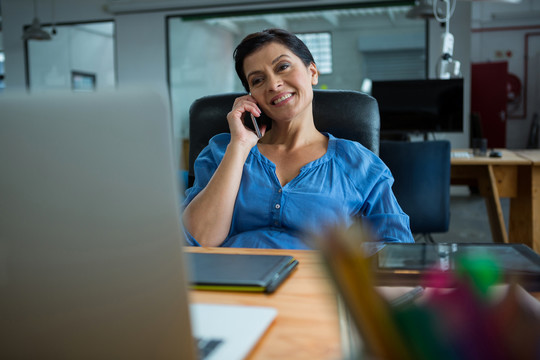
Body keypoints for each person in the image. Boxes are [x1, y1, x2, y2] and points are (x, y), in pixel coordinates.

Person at [182, 28, 414, 249]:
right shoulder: (222, 151)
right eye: (258, 80)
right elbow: (198, 240)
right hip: (227, 285)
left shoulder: (358, 163)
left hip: (316, 287)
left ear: (312, 72)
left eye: (283, 66)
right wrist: (240, 146)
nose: (273, 84)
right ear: (251, 96)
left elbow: (398, 247)